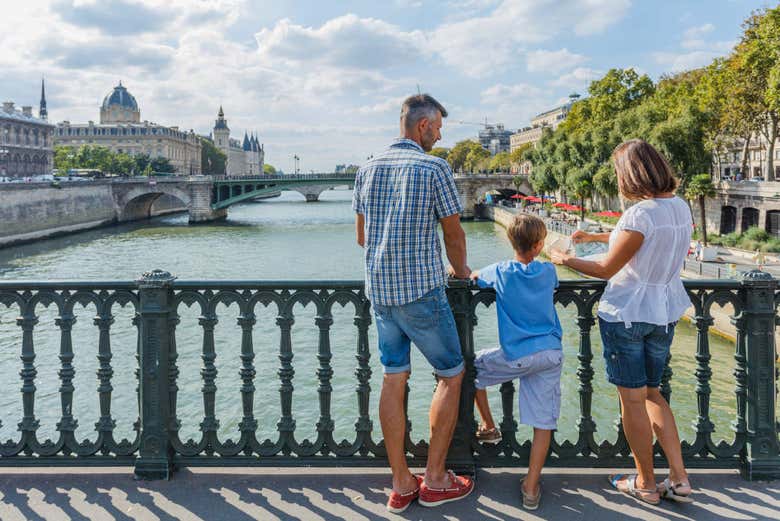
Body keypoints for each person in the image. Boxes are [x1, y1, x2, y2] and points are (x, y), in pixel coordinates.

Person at [550, 139, 694, 505]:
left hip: (628, 313)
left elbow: (606, 267)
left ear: (630, 174)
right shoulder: (679, 207)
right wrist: (597, 235)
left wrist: (563, 258)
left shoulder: (639, 213)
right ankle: (679, 479)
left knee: (631, 401)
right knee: (652, 393)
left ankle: (644, 484)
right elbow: (642, 242)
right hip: (662, 313)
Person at [352, 93, 474, 513]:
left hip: (380, 295)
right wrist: (460, 272)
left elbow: (362, 237)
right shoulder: (434, 167)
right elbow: (453, 235)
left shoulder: (366, 168)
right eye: (437, 129)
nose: (439, 138)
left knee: (393, 378)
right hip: (421, 292)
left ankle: (402, 482)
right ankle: (436, 478)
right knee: (451, 375)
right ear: (422, 126)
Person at [470, 214, 563, 511]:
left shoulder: (499, 271)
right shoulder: (548, 272)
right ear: (538, 246)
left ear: (511, 241)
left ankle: (488, 425)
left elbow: (472, 276)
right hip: (550, 353)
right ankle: (531, 487)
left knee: (469, 370)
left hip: (518, 356)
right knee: (543, 422)